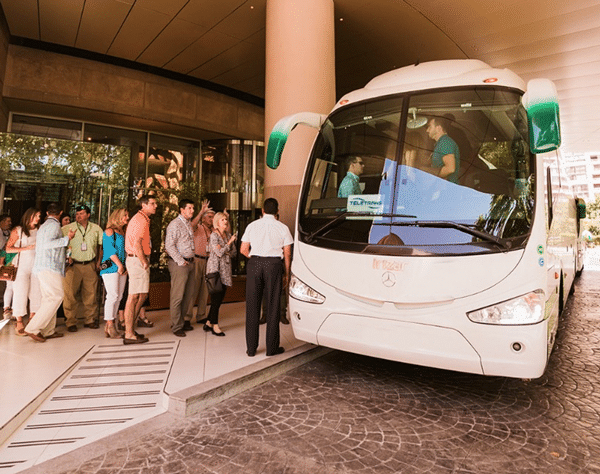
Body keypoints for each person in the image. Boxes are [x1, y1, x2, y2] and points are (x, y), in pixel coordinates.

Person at [240, 198, 293, 357]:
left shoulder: (252, 225)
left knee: (252, 306)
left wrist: (256, 258)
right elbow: (287, 253)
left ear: (262, 210)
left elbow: (243, 249)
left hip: (255, 264)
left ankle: (251, 349)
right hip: (274, 265)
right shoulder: (283, 228)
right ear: (277, 211)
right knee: (273, 306)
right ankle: (271, 349)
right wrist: (286, 273)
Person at [24, 202, 75, 342]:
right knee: (56, 296)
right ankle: (33, 328)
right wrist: (67, 239)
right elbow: (48, 244)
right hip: (50, 266)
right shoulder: (54, 225)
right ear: (60, 213)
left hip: (42, 266)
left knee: (49, 298)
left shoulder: (44, 226)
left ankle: (48, 330)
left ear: (47, 213)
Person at [62, 204, 103, 332]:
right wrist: (65, 258)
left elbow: (100, 246)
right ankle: (70, 321)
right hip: (73, 265)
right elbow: (60, 245)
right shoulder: (67, 228)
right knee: (70, 294)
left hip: (89, 264)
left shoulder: (96, 228)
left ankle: (90, 319)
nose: (79, 216)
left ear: (88, 215)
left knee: (90, 293)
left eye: (82, 213)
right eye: (77, 213)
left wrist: (98, 262)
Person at [123, 195, 157, 344]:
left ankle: (131, 327)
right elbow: (136, 243)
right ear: (144, 205)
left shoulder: (143, 219)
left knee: (141, 295)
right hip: (137, 260)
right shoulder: (140, 220)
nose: (155, 206)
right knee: (134, 296)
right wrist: (144, 261)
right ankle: (128, 333)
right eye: (152, 203)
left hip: (138, 259)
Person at [6, 208, 41, 336]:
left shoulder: (40, 230)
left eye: (39, 215)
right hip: (21, 266)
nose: (38, 218)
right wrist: (26, 248)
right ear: (29, 216)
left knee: (36, 292)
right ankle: (19, 320)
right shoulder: (18, 230)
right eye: (36, 215)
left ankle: (33, 319)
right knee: (20, 292)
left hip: (36, 265)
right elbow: (8, 249)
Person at [165, 198, 197, 337]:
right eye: (189, 208)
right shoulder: (174, 224)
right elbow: (169, 246)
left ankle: (182, 321)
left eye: (193, 208)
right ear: (182, 210)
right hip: (179, 264)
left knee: (188, 294)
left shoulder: (188, 223)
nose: (192, 211)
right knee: (177, 296)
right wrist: (180, 260)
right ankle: (176, 326)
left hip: (190, 262)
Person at [205, 211, 237, 336]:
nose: (226, 222)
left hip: (226, 270)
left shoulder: (228, 235)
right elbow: (218, 253)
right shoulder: (214, 236)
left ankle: (208, 322)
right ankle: (215, 325)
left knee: (219, 298)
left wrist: (225, 248)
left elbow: (233, 252)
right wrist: (227, 245)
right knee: (216, 298)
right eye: (223, 220)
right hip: (215, 269)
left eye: (226, 220)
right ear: (217, 222)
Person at [100, 208, 129, 339]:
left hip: (121, 267)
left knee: (119, 296)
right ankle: (110, 323)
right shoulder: (109, 231)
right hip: (111, 267)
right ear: (117, 216)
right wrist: (120, 265)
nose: (127, 218)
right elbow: (110, 251)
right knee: (112, 295)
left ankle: (112, 322)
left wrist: (124, 266)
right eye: (125, 216)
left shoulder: (122, 232)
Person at [187, 200, 214, 327]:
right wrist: (201, 212)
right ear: (203, 219)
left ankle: (201, 315)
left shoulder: (213, 230)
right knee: (193, 289)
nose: (212, 219)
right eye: (209, 217)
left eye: (213, 217)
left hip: (209, 262)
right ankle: (187, 317)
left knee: (205, 290)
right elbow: (191, 226)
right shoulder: (198, 227)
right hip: (197, 260)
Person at [425, 116, 460, 183]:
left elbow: (450, 169)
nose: (427, 130)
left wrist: (431, 178)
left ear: (438, 128)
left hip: (447, 189)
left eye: (430, 127)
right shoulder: (440, 143)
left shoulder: (445, 142)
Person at [0, 214, 13, 318]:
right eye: (8, 221)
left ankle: (8, 307)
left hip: (8, 262)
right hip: (5, 261)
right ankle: (7, 307)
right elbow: (4, 248)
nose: (10, 223)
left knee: (9, 286)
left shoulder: (9, 233)